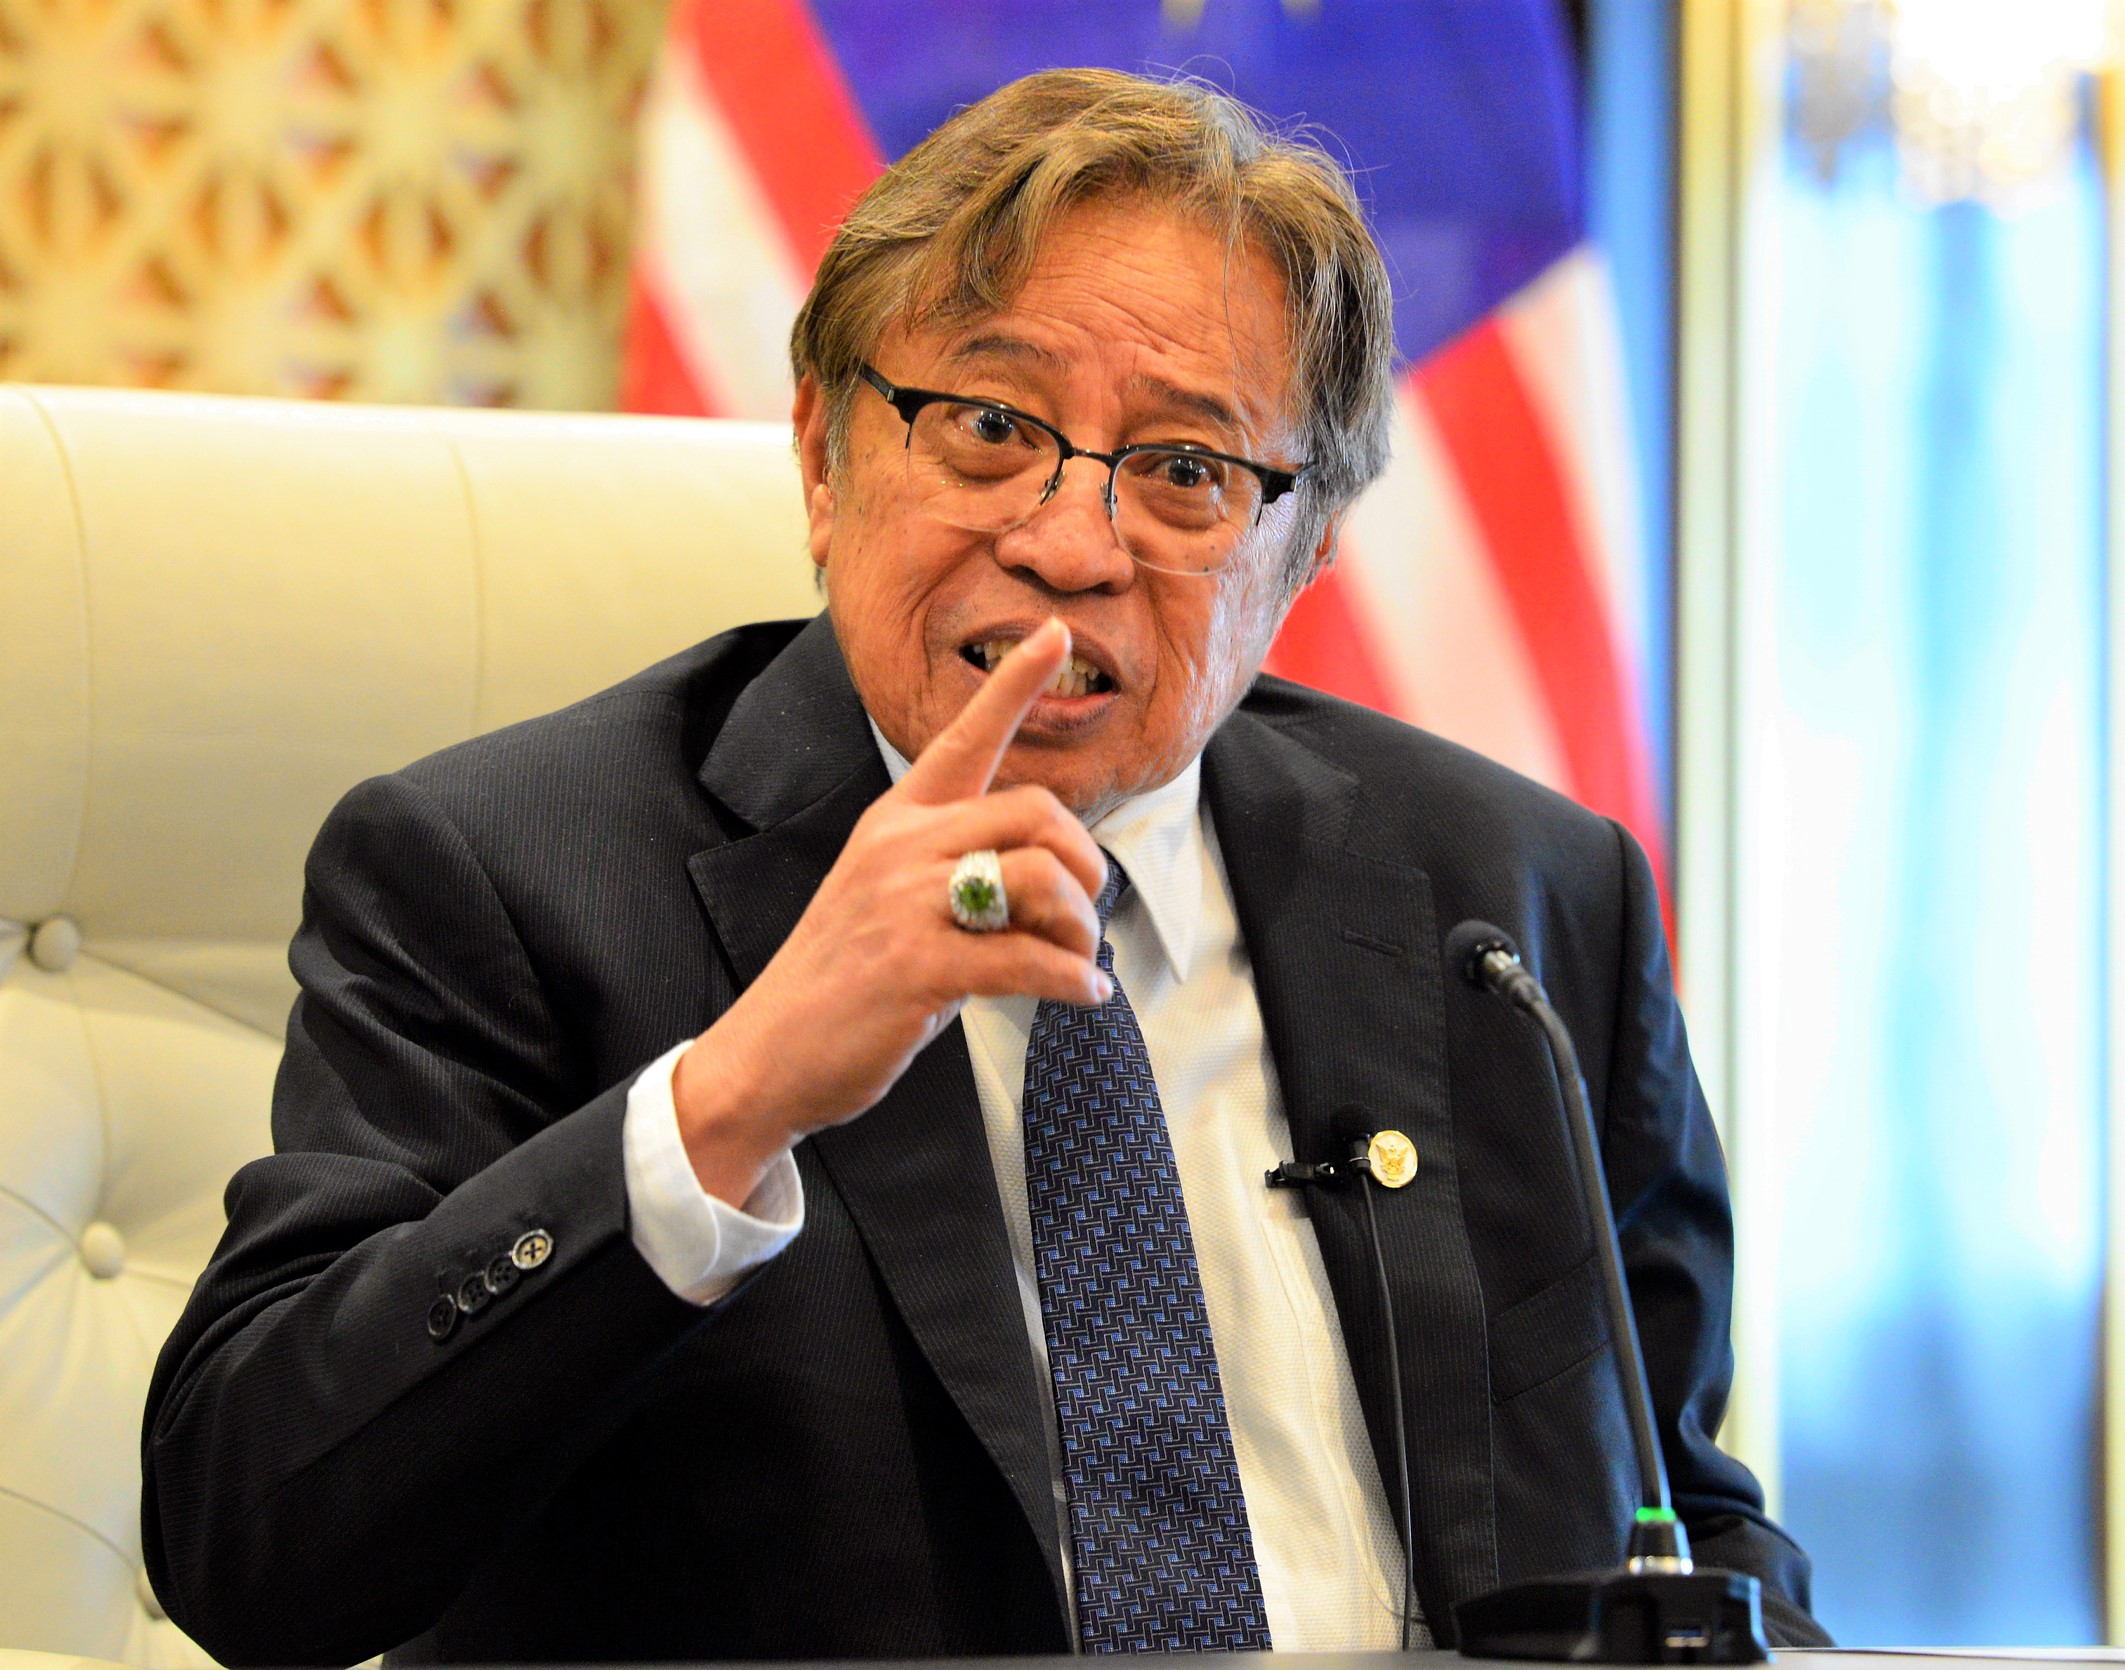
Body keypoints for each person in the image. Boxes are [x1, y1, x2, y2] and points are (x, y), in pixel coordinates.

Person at [142, 67, 1827, 1664]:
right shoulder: (506, 877)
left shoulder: (1516, 901)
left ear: (1300, 551)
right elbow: (250, 1542)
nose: (1069, 542)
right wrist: (730, 1100)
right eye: (988, 426)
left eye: (1186, 470)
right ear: (822, 456)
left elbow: (1681, 1523)